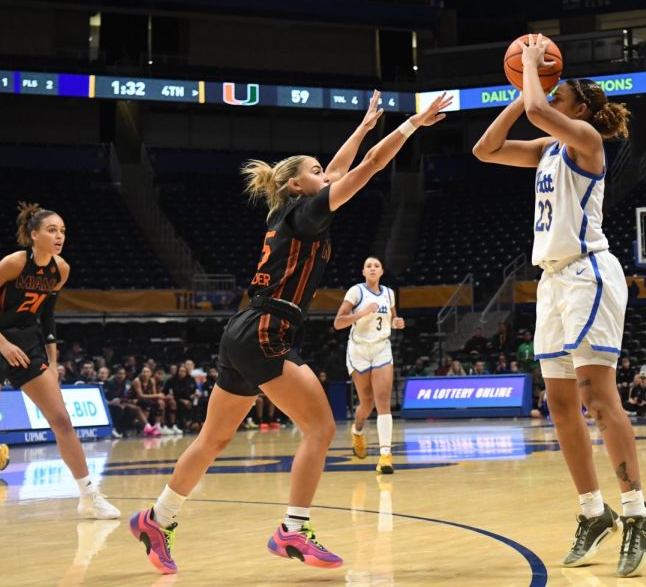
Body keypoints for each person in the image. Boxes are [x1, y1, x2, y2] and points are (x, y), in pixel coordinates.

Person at [130, 90, 451, 575]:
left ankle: (157, 519)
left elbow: (343, 167)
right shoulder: (306, 213)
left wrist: (365, 125)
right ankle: (292, 530)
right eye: (317, 171)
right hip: (266, 329)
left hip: (242, 329)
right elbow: (363, 169)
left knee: (213, 440)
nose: (327, 175)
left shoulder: (291, 211)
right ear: (299, 185)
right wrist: (411, 126)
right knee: (320, 428)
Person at [472, 38, 646, 577]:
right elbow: (485, 150)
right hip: (553, 282)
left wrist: (532, 74)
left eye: (561, 93)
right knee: (558, 405)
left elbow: (537, 109)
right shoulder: (546, 149)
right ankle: (592, 511)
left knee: (598, 400)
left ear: (579, 107)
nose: (549, 98)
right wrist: (520, 87)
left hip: (589, 275)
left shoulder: (586, 140)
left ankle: (636, 511)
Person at [0, 203, 118, 518]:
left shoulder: (60, 270)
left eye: (63, 231)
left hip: (29, 342)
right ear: (34, 235)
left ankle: (88, 496)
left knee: (62, 420)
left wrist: (52, 362)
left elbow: (48, 316)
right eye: (52, 230)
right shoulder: (14, 263)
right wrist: (2, 343)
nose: (59, 236)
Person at [334, 256, 405, 473]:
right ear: (363, 272)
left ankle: (385, 455)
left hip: (381, 348)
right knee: (367, 403)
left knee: (383, 400)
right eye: (368, 266)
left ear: (382, 271)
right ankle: (357, 431)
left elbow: (391, 318)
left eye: (376, 266)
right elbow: (338, 323)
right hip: (358, 350)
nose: (372, 269)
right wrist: (362, 313)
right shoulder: (356, 292)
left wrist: (397, 322)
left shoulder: (389, 293)